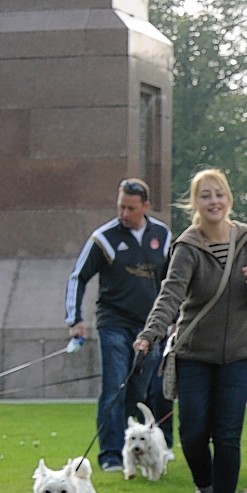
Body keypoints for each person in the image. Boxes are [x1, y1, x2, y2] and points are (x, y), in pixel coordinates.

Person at [133, 168, 247, 493]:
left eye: (219, 194)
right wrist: (150, 334)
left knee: (228, 435)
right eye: (205, 195)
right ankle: (205, 489)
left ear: (228, 198)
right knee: (194, 432)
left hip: (241, 351)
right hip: (194, 350)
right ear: (195, 203)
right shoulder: (187, 246)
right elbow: (170, 295)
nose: (213, 201)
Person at [66, 178, 173, 471]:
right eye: (121, 206)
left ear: (146, 207)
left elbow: (172, 282)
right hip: (113, 322)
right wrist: (75, 319)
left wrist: (173, 320)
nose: (124, 213)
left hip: (150, 327)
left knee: (139, 390)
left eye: (131, 208)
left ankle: (138, 448)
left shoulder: (162, 236)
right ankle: (111, 454)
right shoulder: (104, 238)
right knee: (114, 387)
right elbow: (78, 277)